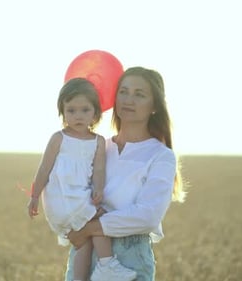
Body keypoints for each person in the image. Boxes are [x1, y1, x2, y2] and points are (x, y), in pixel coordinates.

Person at [65, 66, 187, 281]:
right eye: (123, 91)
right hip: (83, 255)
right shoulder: (96, 147)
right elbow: (72, 192)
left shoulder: (160, 155)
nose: (128, 100)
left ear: (155, 106)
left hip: (129, 258)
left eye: (139, 94)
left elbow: (147, 216)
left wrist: (89, 229)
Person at [27, 77, 138, 281]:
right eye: (71, 110)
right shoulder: (58, 138)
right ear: (62, 111)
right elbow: (44, 169)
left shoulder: (97, 141)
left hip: (80, 196)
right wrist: (34, 196)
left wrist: (98, 188)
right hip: (62, 199)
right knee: (99, 219)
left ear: (95, 112)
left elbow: (99, 169)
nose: (78, 116)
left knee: (84, 243)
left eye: (85, 110)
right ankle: (107, 264)